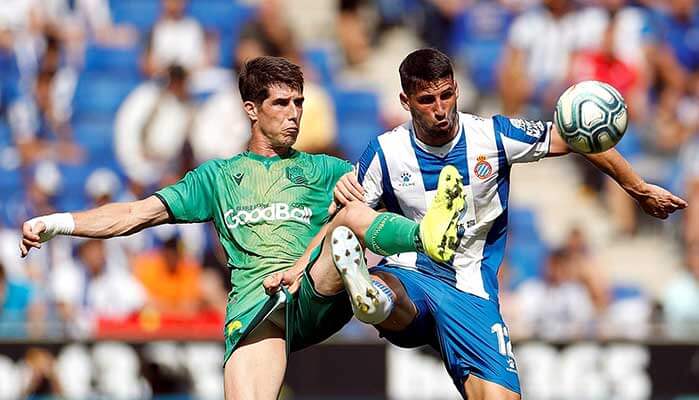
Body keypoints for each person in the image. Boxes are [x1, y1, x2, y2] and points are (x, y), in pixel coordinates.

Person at [19, 56, 465, 400]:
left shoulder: (327, 169)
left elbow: (394, 189)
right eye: (281, 104)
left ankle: (417, 244)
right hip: (260, 307)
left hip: (315, 289)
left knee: (347, 220)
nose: (294, 114)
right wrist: (59, 222)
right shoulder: (215, 178)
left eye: (299, 103)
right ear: (251, 109)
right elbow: (135, 214)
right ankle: (374, 284)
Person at [329, 48, 687, 400]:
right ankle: (374, 296)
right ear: (405, 101)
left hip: (471, 291)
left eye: (446, 95)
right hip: (412, 274)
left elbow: (576, 138)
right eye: (427, 100)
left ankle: (377, 301)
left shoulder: (493, 136)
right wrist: (301, 270)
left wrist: (638, 188)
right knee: (390, 286)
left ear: (457, 89)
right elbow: (343, 216)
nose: (440, 109)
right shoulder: (384, 152)